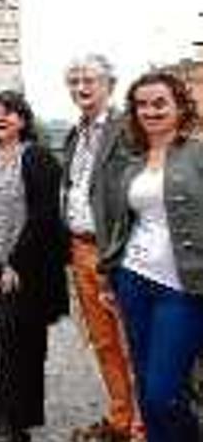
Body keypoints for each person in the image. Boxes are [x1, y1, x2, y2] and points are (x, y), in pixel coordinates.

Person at [98, 71, 203, 442]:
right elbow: (121, 225)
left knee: (164, 394)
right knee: (145, 385)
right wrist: (109, 277)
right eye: (141, 104)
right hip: (134, 280)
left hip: (184, 289)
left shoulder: (197, 152)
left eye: (159, 103)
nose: (150, 111)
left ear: (179, 106)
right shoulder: (134, 160)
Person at [0, 91, 68, 442]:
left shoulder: (38, 158)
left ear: (23, 120)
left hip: (26, 266)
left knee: (16, 340)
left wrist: (17, 263)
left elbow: (44, 216)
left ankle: (7, 421)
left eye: (9, 113)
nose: (0, 118)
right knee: (16, 340)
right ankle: (23, 415)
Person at [60, 55, 140, 442]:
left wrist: (118, 253)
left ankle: (142, 427)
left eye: (89, 79)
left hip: (115, 252)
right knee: (104, 341)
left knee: (130, 341)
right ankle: (121, 419)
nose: (81, 88)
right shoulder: (75, 133)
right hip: (80, 248)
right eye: (74, 81)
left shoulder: (127, 128)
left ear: (110, 83)